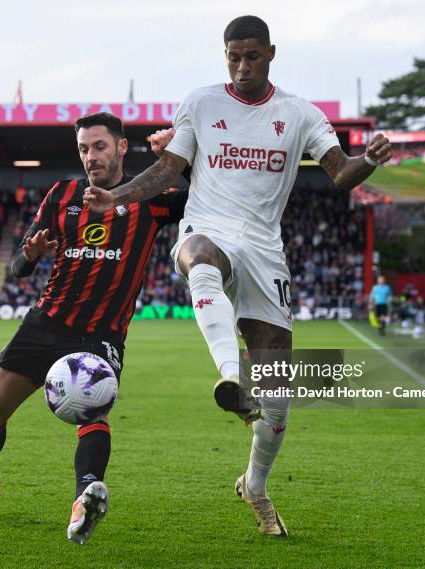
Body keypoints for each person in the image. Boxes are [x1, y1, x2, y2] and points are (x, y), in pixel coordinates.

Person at [83, 15, 393, 537]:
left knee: (277, 395)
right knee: (199, 256)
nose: (242, 66)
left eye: (252, 56)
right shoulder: (202, 102)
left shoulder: (300, 114)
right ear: (223, 55)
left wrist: (369, 159)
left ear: (271, 53)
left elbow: (341, 174)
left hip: (265, 248)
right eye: (233, 57)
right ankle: (230, 377)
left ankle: (255, 485)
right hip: (208, 225)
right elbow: (166, 171)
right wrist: (116, 197)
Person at [0, 113, 187, 545]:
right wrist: (31, 254)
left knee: (93, 411)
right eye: (84, 149)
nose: (92, 157)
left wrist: (177, 156)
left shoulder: (153, 197)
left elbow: (212, 191)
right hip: (46, 322)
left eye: (100, 146)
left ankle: (85, 497)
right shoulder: (63, 195)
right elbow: (16, 268)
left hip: (101, 334)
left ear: (122, 147)